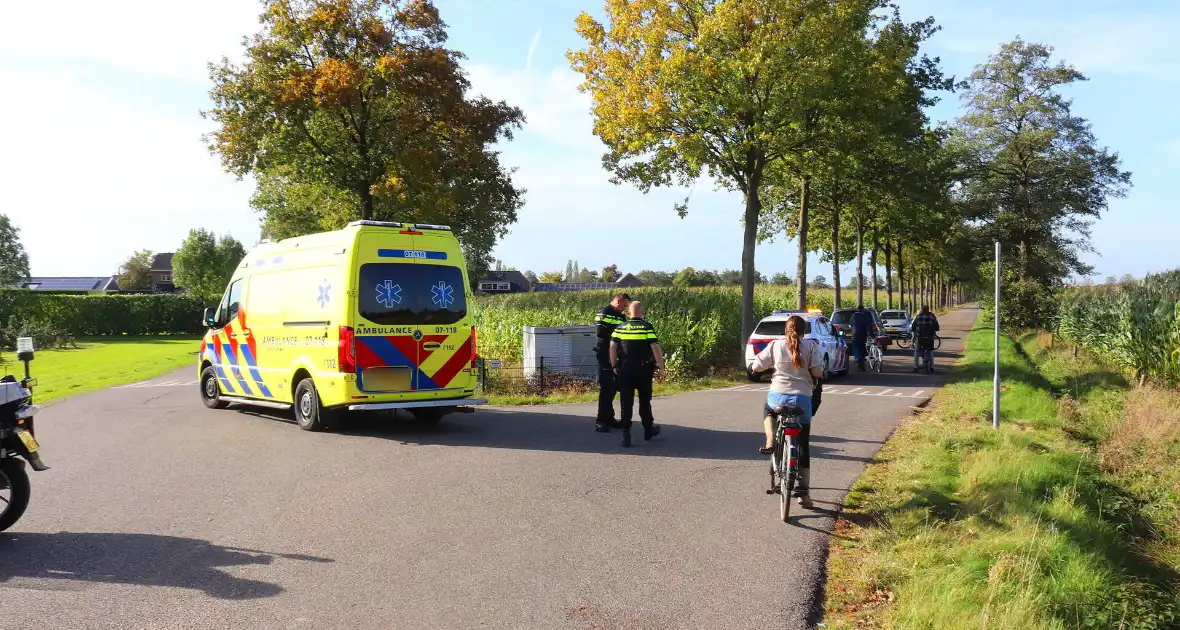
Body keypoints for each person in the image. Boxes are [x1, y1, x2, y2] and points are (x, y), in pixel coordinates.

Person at [746, 315, 825, 509]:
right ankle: (803, 494)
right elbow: (818, 373)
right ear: (804, 331)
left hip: (778, 395)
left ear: (785, 329)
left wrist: (754, 367)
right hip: (802, 398)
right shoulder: (812, 346)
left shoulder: (775, 345)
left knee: (768, 410)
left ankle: (771, 439)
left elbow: (757, 366)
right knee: (803, 444)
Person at [609, 301, 665, 447]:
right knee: (645, 401)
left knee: (625, 403)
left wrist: (614, 364)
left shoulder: (620, 328)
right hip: (644, 370)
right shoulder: (647, 327)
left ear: (628, 313)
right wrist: (661, 367)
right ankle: (648, 429)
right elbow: (655, 348)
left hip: (625, 370)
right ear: (642, 312)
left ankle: (625, 435)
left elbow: (612, 347)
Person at [593, 293, 631, 432]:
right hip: (604, 354)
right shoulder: (604, 313)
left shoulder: (621, 316)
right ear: (618, 301)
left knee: (614, 386)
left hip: (617, 354)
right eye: (624, 305)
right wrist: (616, 336)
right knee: (605, 387)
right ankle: (600, 420)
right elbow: (600, 332)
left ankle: (609, 417)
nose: (625, 308)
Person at [911, 304, 940, 372]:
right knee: (931, 351)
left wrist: (915, 331)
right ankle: (932, 367)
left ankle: (915, 367)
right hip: (930, 337)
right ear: (928, 309)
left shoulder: (918, 316)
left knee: (917, 351)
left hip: (920, 337)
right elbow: (937, 327)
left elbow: (913, 326)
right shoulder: (932, 316)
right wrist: (934, 329)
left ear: (922, 309)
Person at [850, 305, 873, 371]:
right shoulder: (865, 316)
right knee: (862, 348)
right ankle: (861, 361)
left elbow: (851, 324)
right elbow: (868, 326)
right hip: (863, 335)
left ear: (857, 309)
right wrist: (872, 335)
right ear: (862, 309)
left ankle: (857, 359)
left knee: (856, 347)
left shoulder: (853, 316)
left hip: (854, 335)